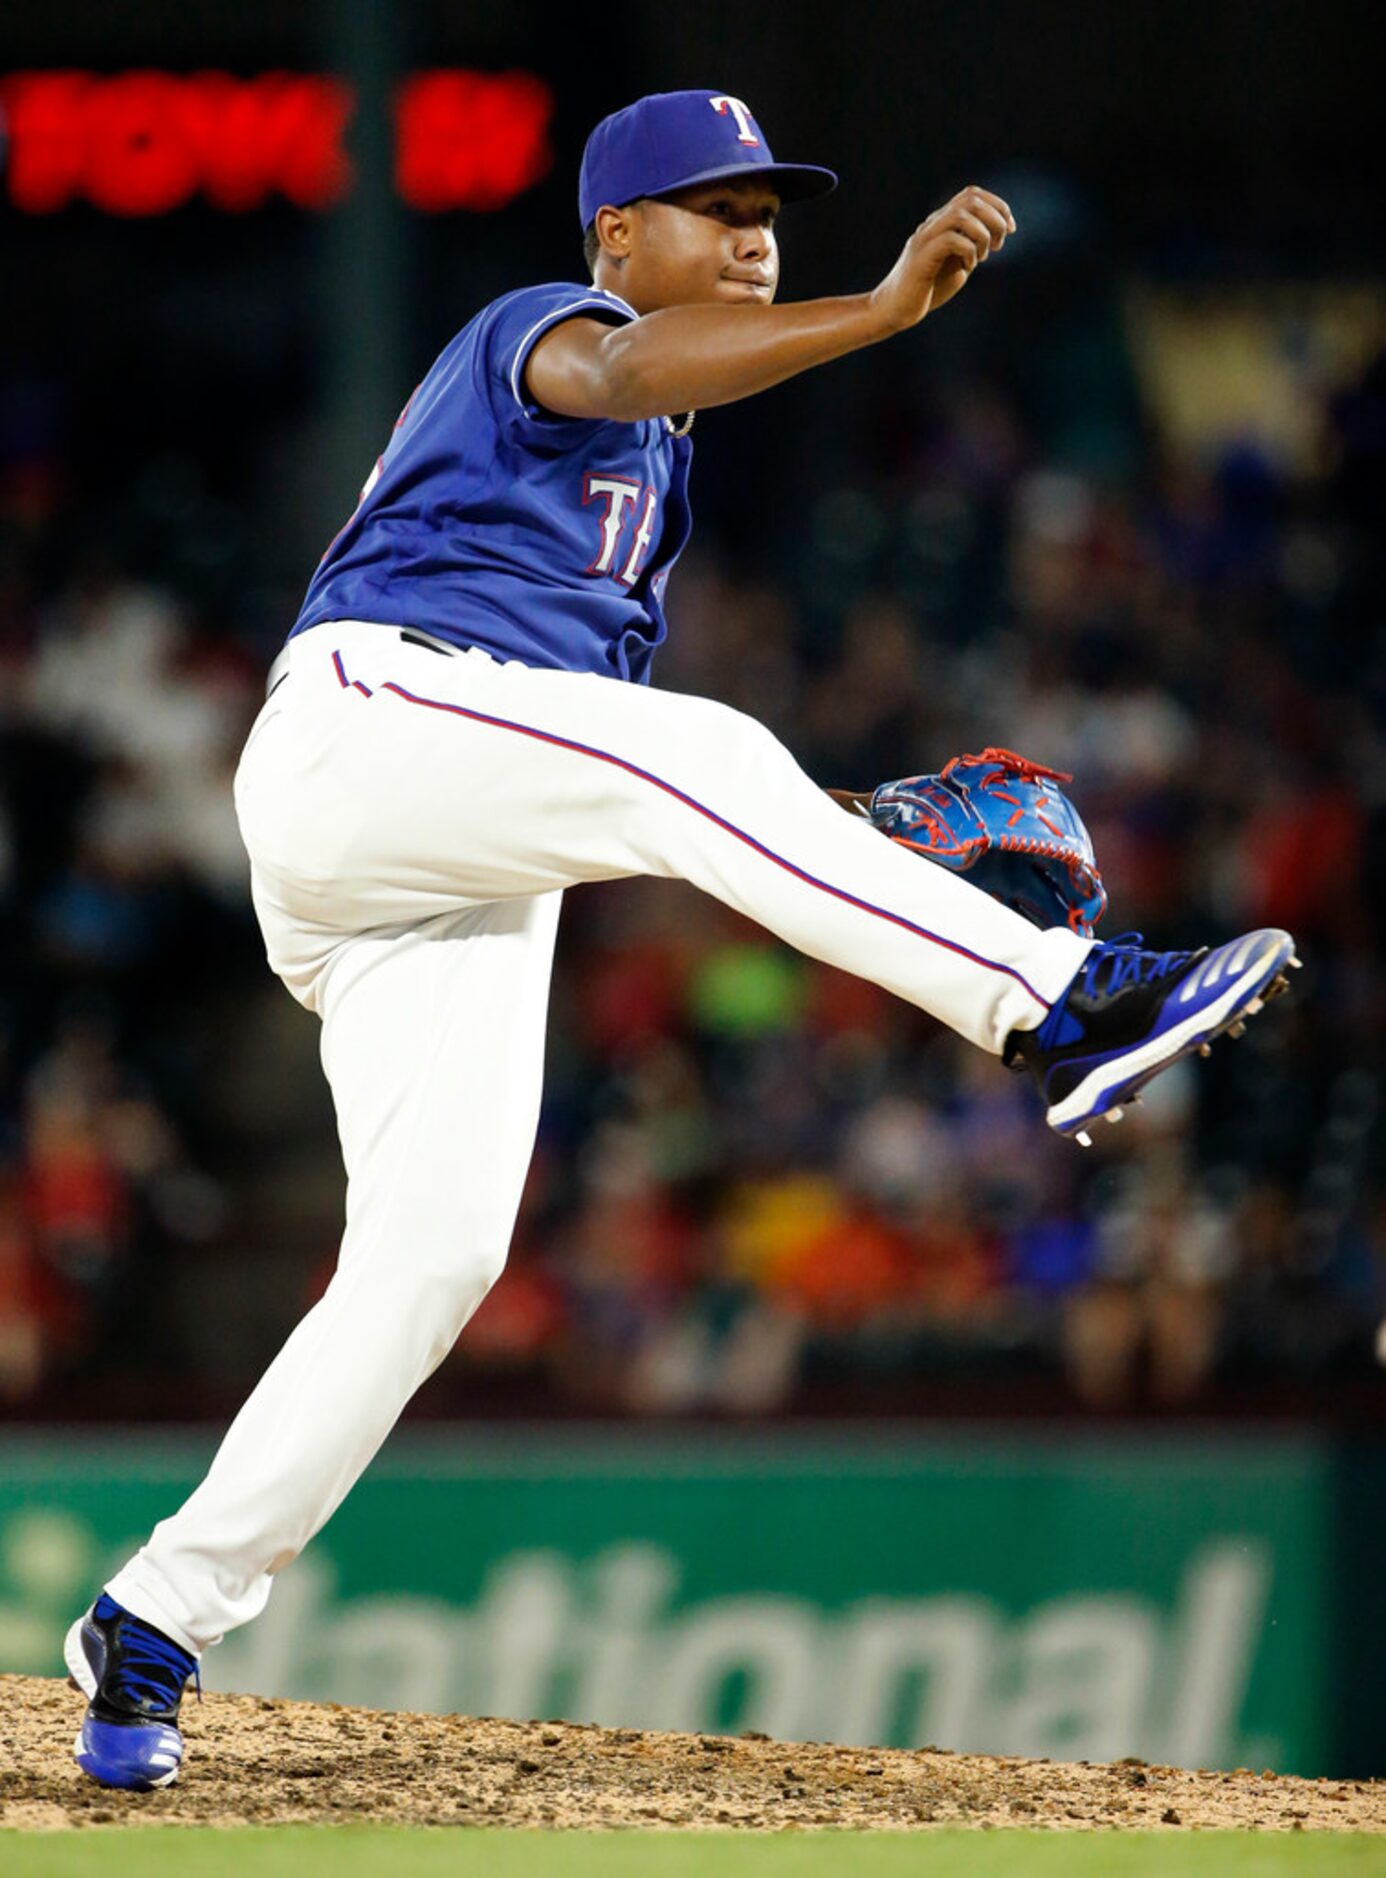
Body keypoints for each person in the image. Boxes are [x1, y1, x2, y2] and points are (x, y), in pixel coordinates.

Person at [65, 89, 1294, 1790]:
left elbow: (618, 775)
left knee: (432, 1258)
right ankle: (1066, 1007)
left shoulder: (648, 485)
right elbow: (629, 382)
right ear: (613, 239)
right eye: (711, 206)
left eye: (767, 209)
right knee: (699, 756)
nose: (752, 233)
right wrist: (872, 313)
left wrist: (850, 825)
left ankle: (154, 1620)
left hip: (437, 835)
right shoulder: (547, 333)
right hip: (368, 722)